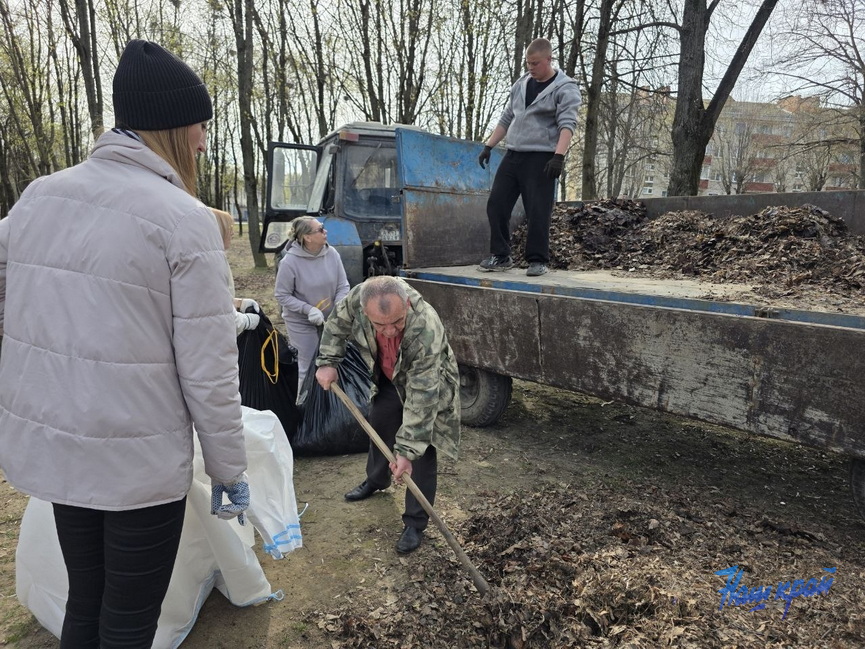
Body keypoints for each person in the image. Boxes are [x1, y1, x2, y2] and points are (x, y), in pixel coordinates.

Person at [0, 40, 249, 648]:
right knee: (130, 623)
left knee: (86, 603)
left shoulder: (38, 197)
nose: (202, 141)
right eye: (198, 126)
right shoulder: (182, 220)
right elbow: (209, 368)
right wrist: (229, 470)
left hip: (60, 450)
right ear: (172, 126)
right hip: (137, 466)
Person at [315, 276, 460, 554]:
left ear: (406, 304)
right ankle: (376, 479)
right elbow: (336, 325)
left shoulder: (424, 325)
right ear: (364, 311)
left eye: (397, 321)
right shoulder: (356, 300)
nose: (390, 331)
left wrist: (406, 451)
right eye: (380, 325)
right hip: (388, 376)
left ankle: (415, 522)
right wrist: (328, 362)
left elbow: (422, 395)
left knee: (422, 450)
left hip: (424, 382)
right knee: (380, 424)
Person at [477, 37, 582, 277]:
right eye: (528, 63)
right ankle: (501, 256)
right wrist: (489, 146)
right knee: (497, 204)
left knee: (537, 210)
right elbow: (507, 117)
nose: (531, 68)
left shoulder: (565, 87)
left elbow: (568, 124)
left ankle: (538, 259)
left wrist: (559, 156)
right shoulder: (521, 84)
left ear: (548, 59)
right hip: (514, 154)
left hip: (542, 158)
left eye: (535, 63)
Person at [275, 216, 350, 388]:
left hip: (329, 317)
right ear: (307, 237)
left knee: (332, 362)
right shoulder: (290, 262)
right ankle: (305, 406)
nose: (326, 231)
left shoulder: (332, 253)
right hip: (301, 321)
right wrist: (308, 309)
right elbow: (281, 295)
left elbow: (343, 285)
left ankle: (331, 407)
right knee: (308, 364)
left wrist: (339, 306)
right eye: (320, 229)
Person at [211, 207, 261, 335]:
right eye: (229, 228)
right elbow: (213, 307)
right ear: (217, 230)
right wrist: (243, 321)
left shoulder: (217, 257)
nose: (232, 232)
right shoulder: (210, 263)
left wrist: (238, 302)